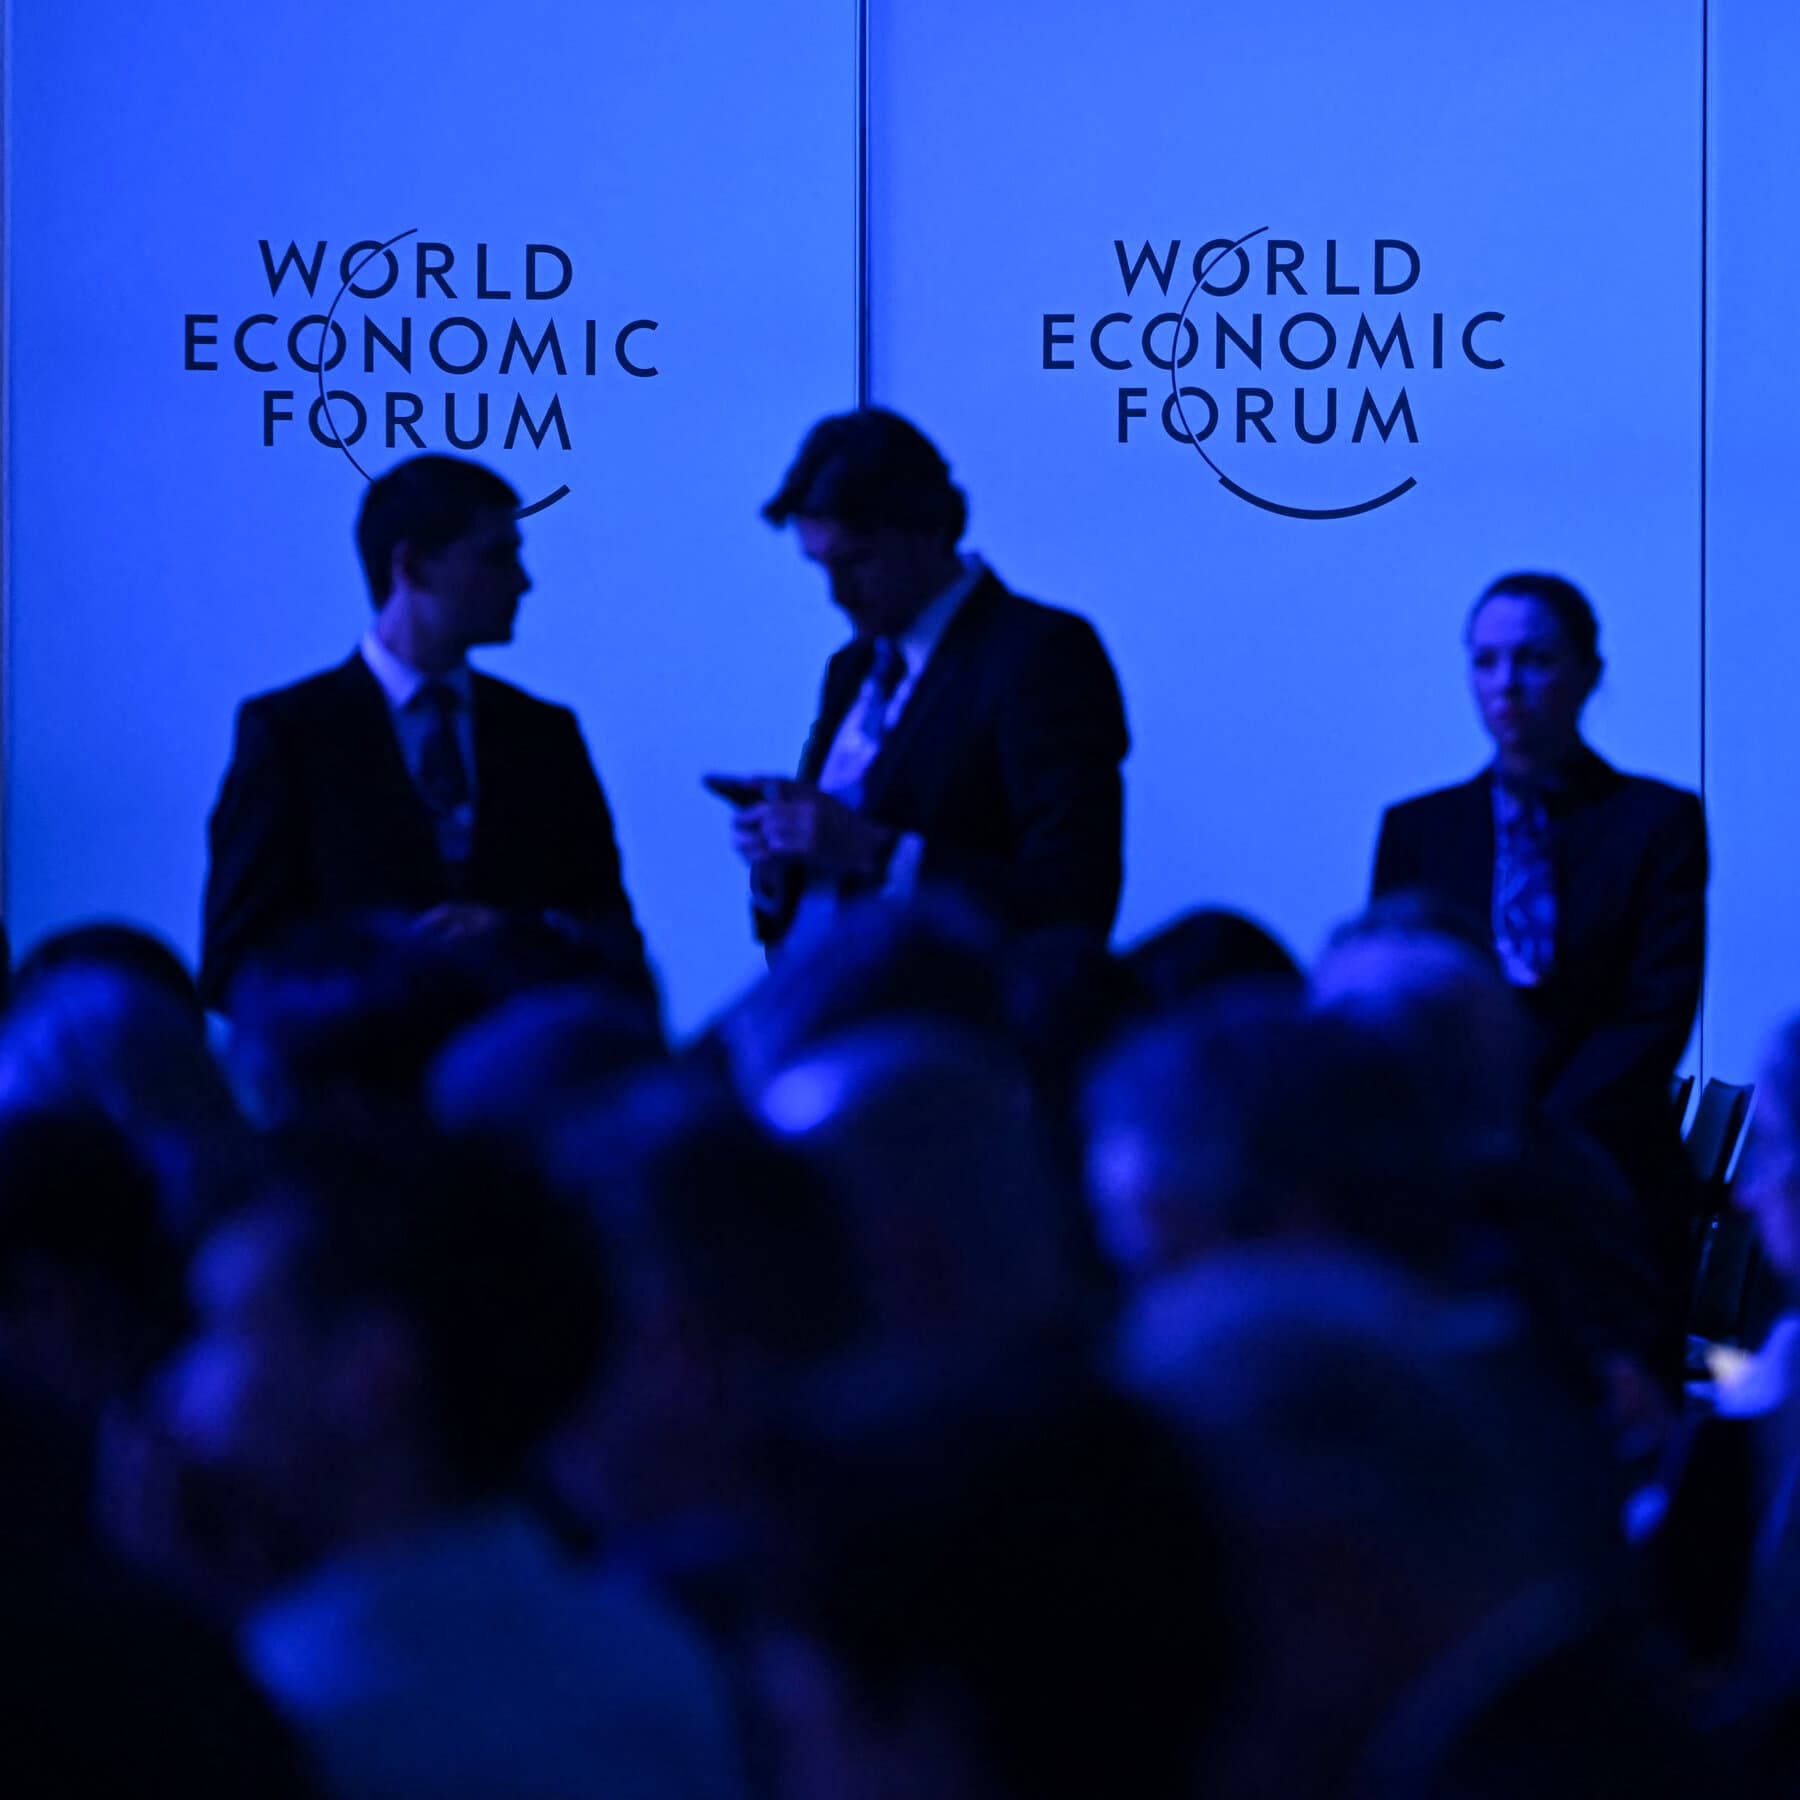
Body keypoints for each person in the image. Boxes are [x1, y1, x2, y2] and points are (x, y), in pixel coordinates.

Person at [108, 1124, 747, 1800]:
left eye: (221, 1331)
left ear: (373, 1371)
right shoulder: (659, 1653)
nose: (173, 1389)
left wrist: (165, 1661)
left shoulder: (300, 1721)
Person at [200, 453, 650, 1013]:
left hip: (524, 1086)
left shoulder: (545, 735)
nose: (523, 582)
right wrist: (387, 973)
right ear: (411, 567)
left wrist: (516, 937)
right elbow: (233, 962)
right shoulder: (290, 734)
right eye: (496, 557)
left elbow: (616, 942)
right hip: (362, 1084)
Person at [1371, 572, 1706, 1301]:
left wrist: (1541, 1140)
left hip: (1609, 1166)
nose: (1507, 685)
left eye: (1534, 659)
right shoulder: (1419, 830)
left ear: (1587, 673)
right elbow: (1390, 998)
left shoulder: (1655, 822)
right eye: (1486, 661)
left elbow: (1657, 1008)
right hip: (1457, 1175)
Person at [727, 409, 1129, 952]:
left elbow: (1075, 899)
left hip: (968, 1025)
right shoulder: (850, 668)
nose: (836, 594)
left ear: (933, 529)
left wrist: (877, 854)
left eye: (858, 562)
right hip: (834, 1009)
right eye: (820, 567)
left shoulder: (1041, 653)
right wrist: (783, 863)